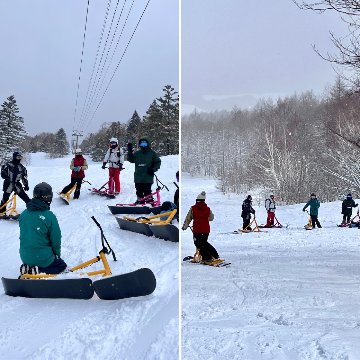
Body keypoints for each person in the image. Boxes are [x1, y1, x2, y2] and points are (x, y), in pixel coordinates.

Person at [19, 182, 67, 275]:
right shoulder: (49, 216)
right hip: (42, 258)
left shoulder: (24, 214)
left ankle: (28, 267)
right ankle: (39, 270)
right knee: (61, 266)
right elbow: (56, 239)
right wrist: (57, 254)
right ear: (48, 197)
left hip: (24, 256)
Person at [182, 191, 219, 262]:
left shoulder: (193, 208)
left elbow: (188, 218)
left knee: (198, 244)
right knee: (204, 242)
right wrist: (204, 218)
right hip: (206, 229)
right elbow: (211, 218)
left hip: (197, 229)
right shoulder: (207, 209)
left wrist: (185, 226)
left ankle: (206, 257)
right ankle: (215, 254)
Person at [127, 137, 161, 203]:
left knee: (147, 190)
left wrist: (153, 169)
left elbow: (158, 162)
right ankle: (140, 201)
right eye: (142, 144)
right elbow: (131, 159)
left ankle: (149, 201)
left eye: (145, 144)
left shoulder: (152, 153)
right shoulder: (137, 153)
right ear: (139, 145)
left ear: (148, 144)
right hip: (138, 176)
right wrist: (129, 151)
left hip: (148, 176)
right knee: (139, 190)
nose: (143, 146)